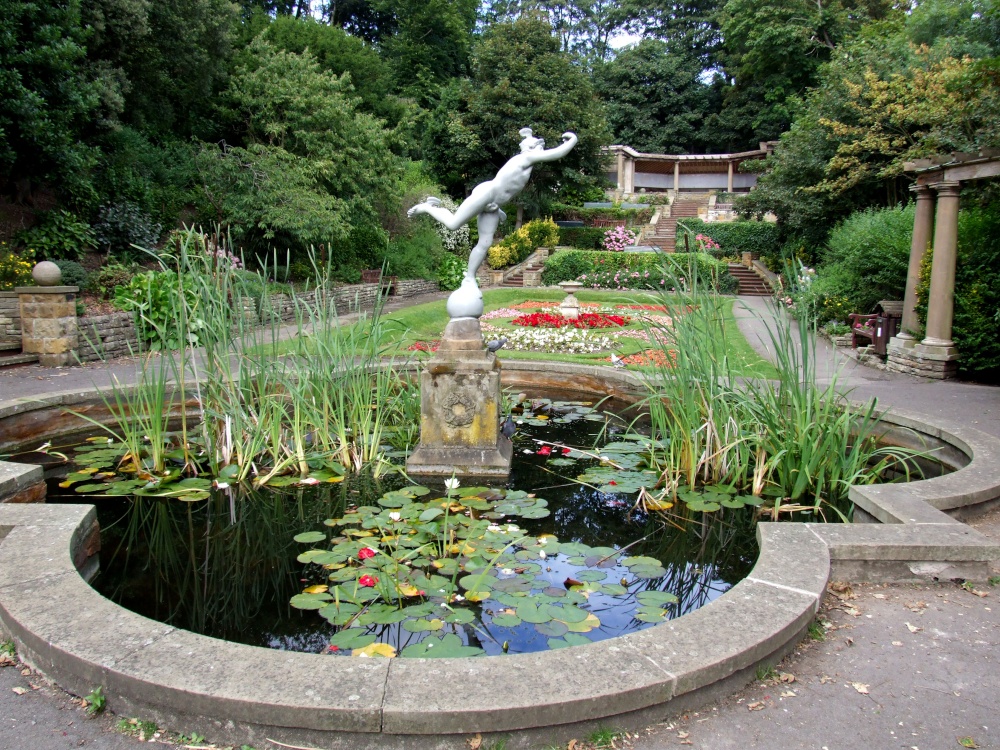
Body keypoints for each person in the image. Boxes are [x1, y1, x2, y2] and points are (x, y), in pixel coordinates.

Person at [408, 128, 578, 282]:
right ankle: (428, 207)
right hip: (486, 194)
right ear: (531, 148)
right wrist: (572, 140)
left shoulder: (527, 162)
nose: (542, 149)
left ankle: (469, 278)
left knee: (485, 242)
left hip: (493, 205)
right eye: (539, 146)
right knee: (453, 224)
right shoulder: (526, 157)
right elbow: (556, 153)